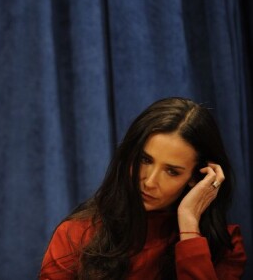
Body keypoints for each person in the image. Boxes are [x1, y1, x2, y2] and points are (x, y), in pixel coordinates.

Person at [40, 97, 247, 279]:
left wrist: (189, 226)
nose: (149, 181)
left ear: (197, 177)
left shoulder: (223, 247)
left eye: (171, 171)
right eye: (144, 159)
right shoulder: (76, 234)